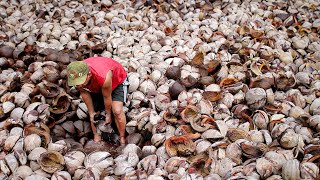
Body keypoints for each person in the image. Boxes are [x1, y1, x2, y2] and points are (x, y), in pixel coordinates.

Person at [66, 57, 128, 145]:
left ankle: (122, 137)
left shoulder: (103, 76)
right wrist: (91, 113)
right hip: (96, 85)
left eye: (81, 81)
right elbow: (83, 92)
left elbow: (107, 96)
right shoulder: (75, 74)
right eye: (77, 83)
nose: (78, 85)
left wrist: (108, 114)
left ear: (89, 74)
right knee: (94, 116)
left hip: (117, 81)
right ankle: (96, 136)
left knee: (117, 111)